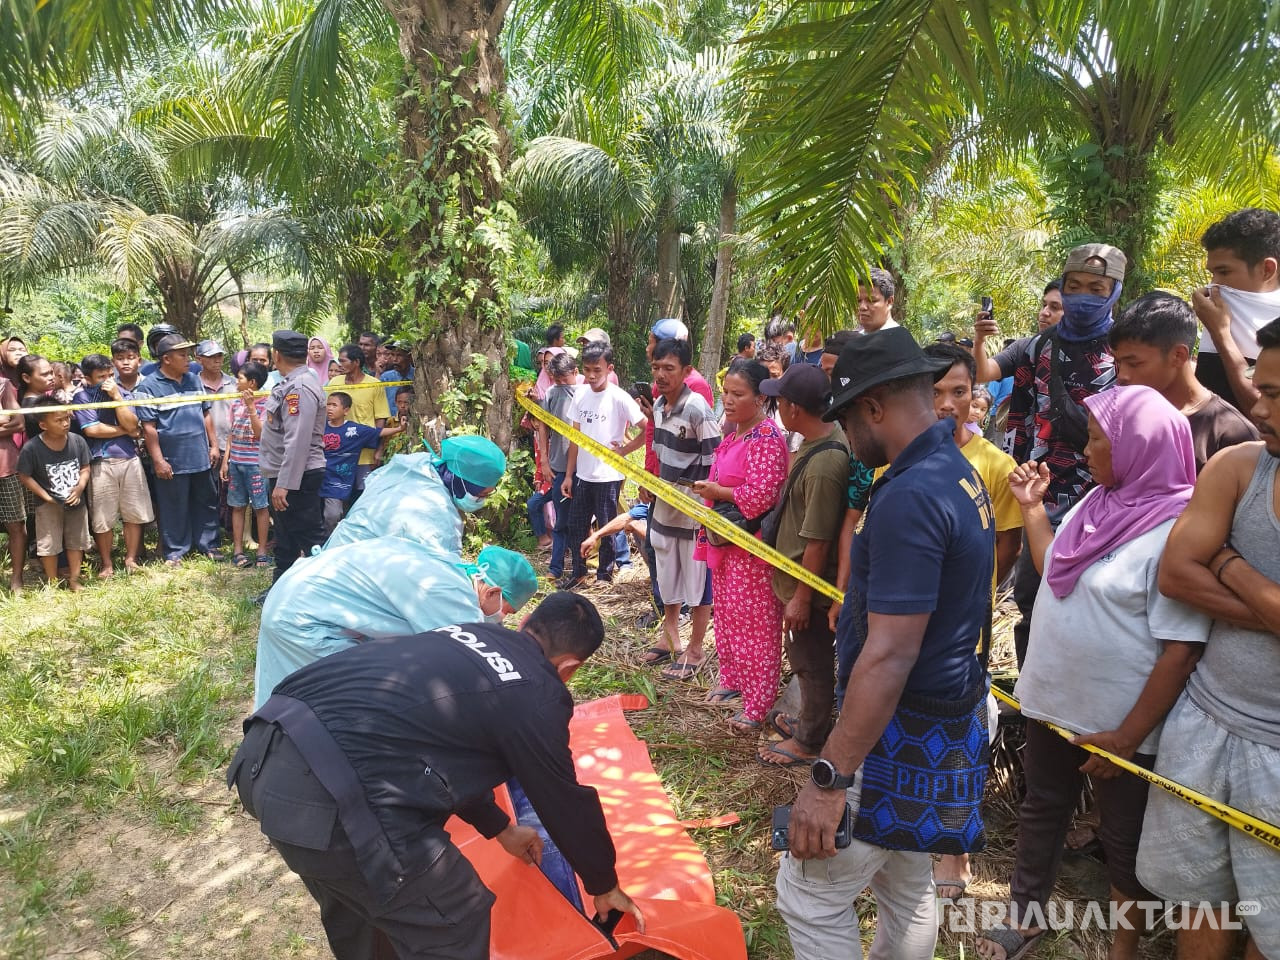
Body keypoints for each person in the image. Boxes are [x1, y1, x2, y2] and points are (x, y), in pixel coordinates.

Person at [229, 592, 645, 959]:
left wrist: (500, 827)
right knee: (454, 916)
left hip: (264, 755)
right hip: (334, 797)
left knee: (363, 905)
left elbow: (434, 745)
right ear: (569, 666)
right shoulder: (538, 692)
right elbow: (562, 798)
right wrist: (603, 882)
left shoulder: (463, 634)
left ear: (524, 624)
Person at [775, 328, 991, 960]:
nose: (846, 435)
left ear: (873, 407)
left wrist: (829, 776)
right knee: (907, 884)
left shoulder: (911, 496)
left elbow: (891, 652)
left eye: (845, 418)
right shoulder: (956, 473)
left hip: (893, 733)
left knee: (810, 893)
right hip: (943, 720)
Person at [977, 385, 1211, 960]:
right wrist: (1032, 508)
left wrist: (1126, 740)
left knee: (1123, 836)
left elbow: (1181, 650)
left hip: (1119, 725)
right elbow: (1051, 563)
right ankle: (1026, 919)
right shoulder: (1097, 502)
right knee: (1043, 805)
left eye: (1100, 439)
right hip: (1054, 699)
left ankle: (1123, 947)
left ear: (1141, 447)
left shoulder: (1176, 530)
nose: (1087, 451)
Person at [1140, 317, 1280, 959]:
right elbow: (1174, 573)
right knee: (1201, 896)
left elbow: (1197, 564)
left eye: (1278, 395)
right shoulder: (1239, 467)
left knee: (1272, 919)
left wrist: (1224, 561)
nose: (1260, 406)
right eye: (1263, 387)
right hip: (1206, 718)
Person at [973, 243, 1124, 665]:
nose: (1082, 296)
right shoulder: (1037, 346)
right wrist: (981, 341)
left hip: (1105, 495)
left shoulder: (1127, 349)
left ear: (1115, 290)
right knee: (1032, 595)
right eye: (1074, 285)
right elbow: (985, 373)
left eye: (1096, 287)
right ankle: (1031, 697)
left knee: (1090, 596)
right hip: (1040, 489)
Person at [254, 540, 538, 707]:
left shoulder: (448, 567)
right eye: (505, 612)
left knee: (297, 695)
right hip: (304, 617)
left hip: (295, 592)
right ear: (492, 592)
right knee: (336, 704)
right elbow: (468, 668)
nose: (501, 620)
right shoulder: (454, 597)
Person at [757, 364, 849, 758]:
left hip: (808, 587)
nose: (775, 404)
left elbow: (819, 542)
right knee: (805, 660)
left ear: (793, 408)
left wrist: (801, 597)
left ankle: (809, 740)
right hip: (797, 581)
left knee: (811, 665)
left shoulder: (827, 465)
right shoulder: (816, 443)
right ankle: (812, 725)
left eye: (779, 399)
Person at [692, 359, 789, 723]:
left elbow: (762, 494)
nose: (728, 401)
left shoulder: (766, 438)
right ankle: (733, 679)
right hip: (725, 545)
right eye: (726, 393)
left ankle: (758, 703)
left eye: (738, 394)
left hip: (751, 549)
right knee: (729, 617)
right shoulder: (734, 436)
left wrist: (719, 491)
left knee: (756, 626)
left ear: (761, 399)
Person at [1110, 292, 1257, 471]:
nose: (1122, 375)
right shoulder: (1122, 415)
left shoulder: (1230, 434)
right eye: (1118, 362)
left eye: (1134, 363)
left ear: (1178, 356)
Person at [647, 338, 718, 679]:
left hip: (692, 512)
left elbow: (714, 461)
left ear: (687, 372)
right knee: (667, 571)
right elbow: (662, 456)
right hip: (664, 509)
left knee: (697, 578)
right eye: (657, 368)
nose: (661, 375)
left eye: (669, 369)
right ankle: (670, 634)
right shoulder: (659, 405)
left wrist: (706, 503)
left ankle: (696, 647)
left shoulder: (698, 409)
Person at [324, 433, 506, 554]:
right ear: (462, 483)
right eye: (481, 495)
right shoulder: (440, 521)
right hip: (354, 577)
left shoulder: (417, 464)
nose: (480, 502)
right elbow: (440, 577)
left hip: (336, 551)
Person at [558, 343, 645, 589]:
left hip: (608, 475)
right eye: (587, 370)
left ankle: (605, 575)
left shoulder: (619, 397)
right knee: (576, 525)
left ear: (609, 368)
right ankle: (578, 572)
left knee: (607, 527)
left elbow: (647, 428)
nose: (592, 375)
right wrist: (568, 475)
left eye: (597, 369)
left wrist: (623, 451)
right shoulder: (581, 394)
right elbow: (575, 438)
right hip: (583, 475)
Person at [135, 334, 221, 564]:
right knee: (174, 506)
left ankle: (208, 545)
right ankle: (175, 552)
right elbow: (149, 428)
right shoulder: (148, 387)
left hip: (200, 456)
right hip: (172, 459)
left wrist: (214, 445)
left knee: (206, 501)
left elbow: (206, 413)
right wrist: (159, 460)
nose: (188, 359)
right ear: (166, 359)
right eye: (182, 355)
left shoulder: (194, 380)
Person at [1192, 207, 1280, 412]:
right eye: (1212, 273)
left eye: (1224, 272)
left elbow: (1263, 411)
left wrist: (1221, 335)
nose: (1214, 284)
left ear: (1267, 270)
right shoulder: (1224, 310)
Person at [74, 353, 152, 578]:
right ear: (88, 378)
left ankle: (131, 559)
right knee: (103, 517)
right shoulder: (81, 397)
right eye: (101, 376)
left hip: (129, 458)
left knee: (133, 513)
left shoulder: (123, 392)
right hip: (100, 461)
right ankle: (107, 564)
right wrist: (125, 430)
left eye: (110, 374)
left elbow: (132, 422)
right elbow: (92, 430)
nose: (108, 380)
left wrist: (118, 398)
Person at [259, 330, 327, 583]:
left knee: (311, 539)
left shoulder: (299, 388)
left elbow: (297, 441)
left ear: (276, 355)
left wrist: (284, 484)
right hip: (286, 474)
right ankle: (280, 590)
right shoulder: (290, 384)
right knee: (286, 539)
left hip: (297, 476)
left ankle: (326, 591)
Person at [16, 399, 91, 591]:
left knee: (76, 541)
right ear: (43, 425)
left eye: (66, 418)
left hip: (76, 502)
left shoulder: (77, 441)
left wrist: (80, 487)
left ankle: (74, 579)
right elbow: (24, 476)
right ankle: (52, 582)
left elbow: (85, 467)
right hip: (47, 505)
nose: (65, 423)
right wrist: (46, 497)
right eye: (58, 420)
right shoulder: (32, 448)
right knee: (49, 544)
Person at [320, 391, 404, 536]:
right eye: (328, 404)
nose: (329, 408)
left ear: (346, 410)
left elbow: (377, 432)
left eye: (334, 405)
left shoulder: (354, 430)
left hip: (337, 482)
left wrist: (399, 428)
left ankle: (330, 544)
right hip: (317, 478)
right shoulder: (319, 427)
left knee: (332, 515)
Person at [530, 352, 578, 573]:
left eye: (564, 380)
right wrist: (545, 463)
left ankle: (586, 566)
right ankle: (556, 567)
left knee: (583, 519)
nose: (560, 385)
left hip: (584, 470)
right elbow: (542, 426)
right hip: (559, 467)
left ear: (575, 373)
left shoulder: (585, 394)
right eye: (556, 380)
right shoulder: (551, 393)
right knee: (561, 521)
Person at [221, 361, 271, 569]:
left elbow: (260, 433)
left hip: (257, 465)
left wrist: (251, 407)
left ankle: (261, 551)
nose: (236, 381)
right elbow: (232, 434)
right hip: (237, 463)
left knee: (261, 507)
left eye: (240, 378)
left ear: (252, 382)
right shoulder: (235, 403)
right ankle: (238, 550)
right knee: (238, 506)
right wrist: (226, 461)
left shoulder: (267, 404)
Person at [327, 344, 391, 497]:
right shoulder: (334, 383)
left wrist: (379, 449)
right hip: (339, 452)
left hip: (365, 452)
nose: (340, 365)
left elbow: (380, 418)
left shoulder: (374, 384)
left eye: (343, 361)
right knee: (337, 495)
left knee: (364, 494)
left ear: (356, 362)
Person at [0, 362, 25, 591]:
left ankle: (17, 580)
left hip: (5, 465)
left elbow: (18, 422)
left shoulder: (3, 386)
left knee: (15, 524)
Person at [196, 339, 236, 459]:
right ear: (199, 359)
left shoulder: (235, 384)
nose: (217, 360)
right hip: (204, 450)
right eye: (211, 356)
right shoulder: (193, 386)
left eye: (219, 355)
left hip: (233, 449)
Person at [855, 268, 899, 334]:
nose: (862, 307)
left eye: (871, 300)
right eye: (858, 300)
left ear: (889, 302)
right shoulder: (852, 340)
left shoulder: (900, 340)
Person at [379, 340, 413, 410]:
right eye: (392, 355)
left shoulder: (419, 376)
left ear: (409, 357)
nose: (394, 359)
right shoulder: (385, 378)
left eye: (399, 355)